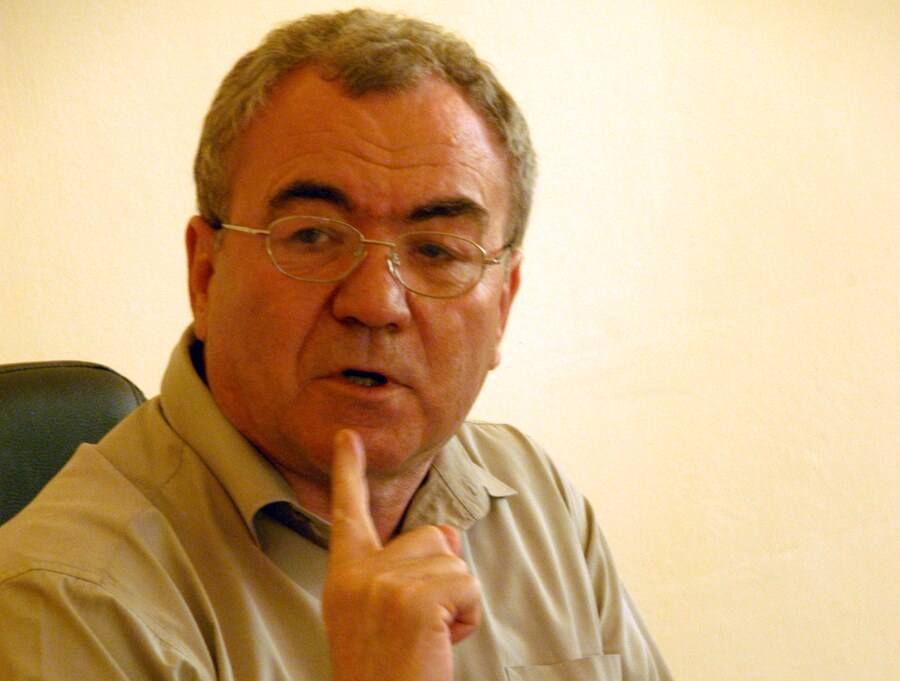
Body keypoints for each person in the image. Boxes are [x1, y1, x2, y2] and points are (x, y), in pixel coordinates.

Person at [0, 9, 672, 680]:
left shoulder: (535, 497)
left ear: (503, 304)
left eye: (438, 250)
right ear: (205, 273)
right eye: (313, 237)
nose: (376, 303)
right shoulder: (65, 598)